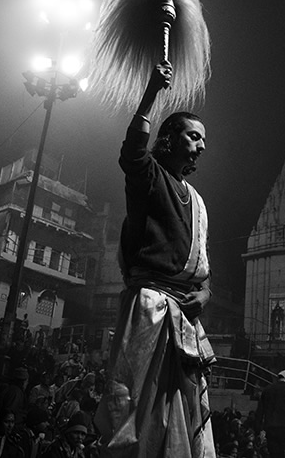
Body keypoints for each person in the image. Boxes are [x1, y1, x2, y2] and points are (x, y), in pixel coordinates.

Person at [94, 62, 215, 458]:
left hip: (186, 319)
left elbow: (202, 268)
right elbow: (131, 152)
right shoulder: (150, 177)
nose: (200, 146)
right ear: (168, 138)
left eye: (202, 141)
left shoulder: (197, 201)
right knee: (140, 413)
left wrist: (206, 294)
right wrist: (150, 93)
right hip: (150, 308)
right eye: (193, 136)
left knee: (179, 413)